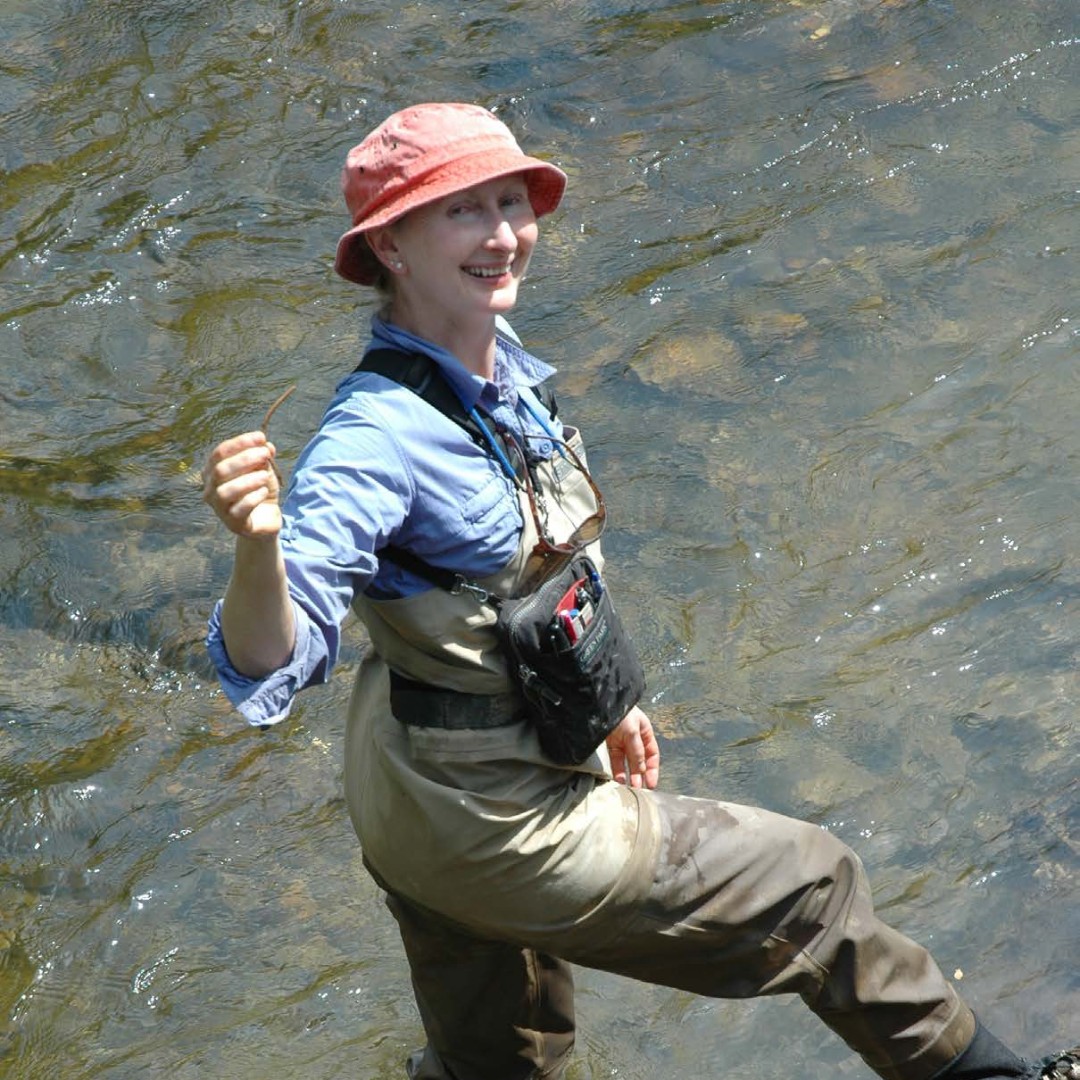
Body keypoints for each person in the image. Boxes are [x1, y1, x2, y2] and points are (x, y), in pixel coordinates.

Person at [203, 102, 1077, 1080]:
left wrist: (609, 703)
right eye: (462, 212)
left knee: (502, 1065)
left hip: (414, 789)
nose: (502, 234)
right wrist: (258, 549)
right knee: (814, 895)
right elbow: (269, 658)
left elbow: (534, 574)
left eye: (510, 201)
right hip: (491, 816)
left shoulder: (489, 368)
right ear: (391, 248)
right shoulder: (373, 438)